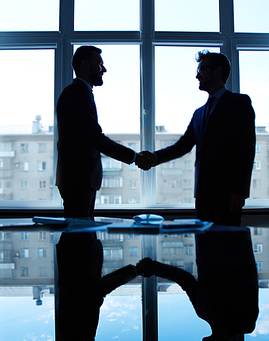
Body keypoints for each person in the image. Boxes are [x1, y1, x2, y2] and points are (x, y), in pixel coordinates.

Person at [146, 50, 256, 225]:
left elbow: (246, 148)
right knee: (204, 245)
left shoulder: (239, 103)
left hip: (228, 194)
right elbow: (183, 146)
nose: (197, 75)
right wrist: (154, 158)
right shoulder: (199, 113)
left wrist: (239, 190)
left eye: (202, 68)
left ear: (218, 70)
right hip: (203, 194)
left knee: (228, 246)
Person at [55, 46, 153, 216]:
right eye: (100, 64)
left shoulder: (79, 92)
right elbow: (95, 138)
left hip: (77, 178)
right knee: (79, 237)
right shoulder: (77, 93)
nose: (104, 69)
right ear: (85, 64)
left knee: (79, 234)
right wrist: (135, 157)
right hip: (78, 179)